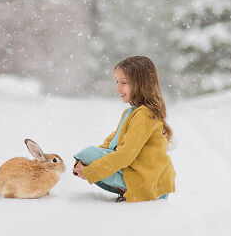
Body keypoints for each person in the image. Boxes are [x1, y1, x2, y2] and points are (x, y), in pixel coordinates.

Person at [72, 55, 175, 202]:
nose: (118, 88)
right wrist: (83, 163)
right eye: (117, 82)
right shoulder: (132, 113)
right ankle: (128, 190)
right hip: (140, 177)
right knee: (87, 155)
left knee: (89, 154)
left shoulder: (145, 115)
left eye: (124, 82)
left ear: (141, 85)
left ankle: (136, 192)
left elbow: (125, 155)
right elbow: (108, 145)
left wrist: (90, 170)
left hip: (148, 182)